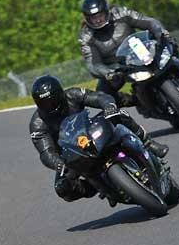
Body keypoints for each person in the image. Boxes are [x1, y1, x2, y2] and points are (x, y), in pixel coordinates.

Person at [28, 75, 168, 203]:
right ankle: (98, 187)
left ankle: (148, 143)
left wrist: (109, 106)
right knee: (62, 188)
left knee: (120, 114)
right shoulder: (37, 124)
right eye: (45, 104)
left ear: (60, 94)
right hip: (69, 155)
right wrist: (57, 163)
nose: (50, 106)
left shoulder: (72, 94)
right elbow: (46, 152)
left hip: (89, 132)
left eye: (53, 101)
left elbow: (98, 97)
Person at [78, 0, 179, 107]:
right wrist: (108, 73)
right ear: (88, 19)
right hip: (116, 68)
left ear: (106, 11)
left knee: (169, 41)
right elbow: (92, 64)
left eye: (100, 16)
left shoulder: (122, 13)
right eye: (94, 18)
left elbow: (149, 22)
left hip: (139, 52)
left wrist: (160, 32)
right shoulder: (86, 37)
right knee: (103, 95)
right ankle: (132, 101)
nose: (98, 20)